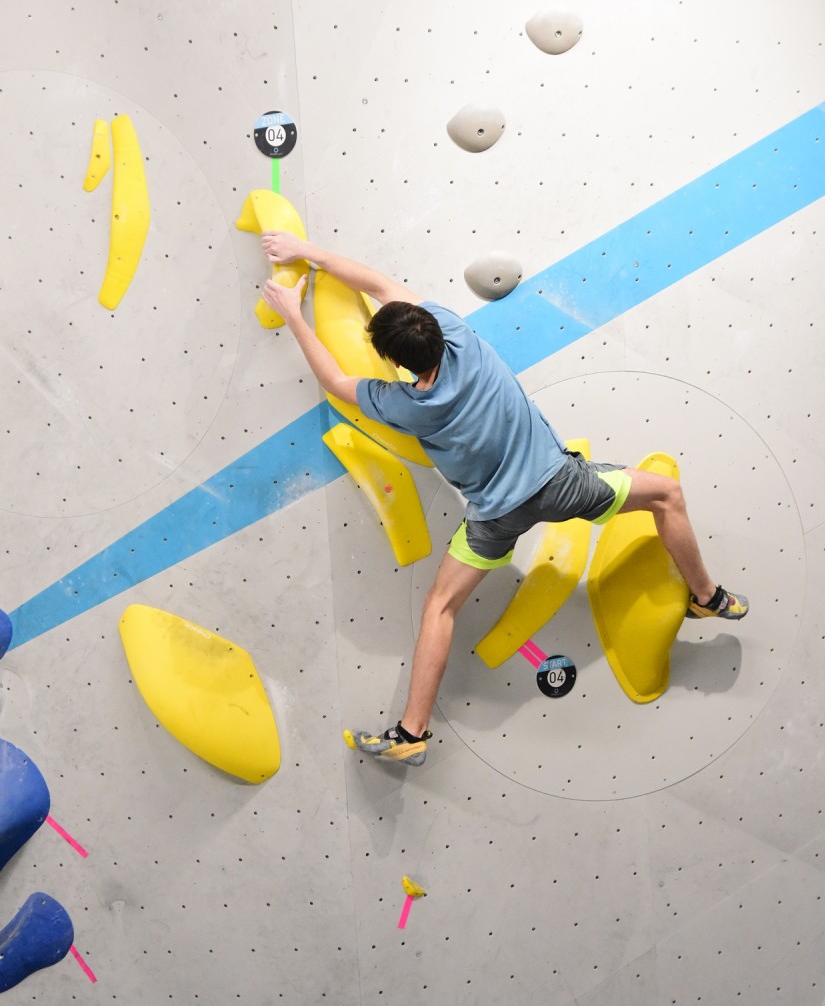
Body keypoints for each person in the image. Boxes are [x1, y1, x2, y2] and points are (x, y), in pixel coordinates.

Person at [260, 232, 749, 767]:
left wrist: (292, 312)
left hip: (495, 516)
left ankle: (412, 732)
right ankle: (705, 596)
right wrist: (309, 249)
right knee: (667, 495)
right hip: (560, 486)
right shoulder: (457, 333)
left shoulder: (405, 405)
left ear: (393, 361)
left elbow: (333, 379)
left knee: (440, 606)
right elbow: (379, 284)